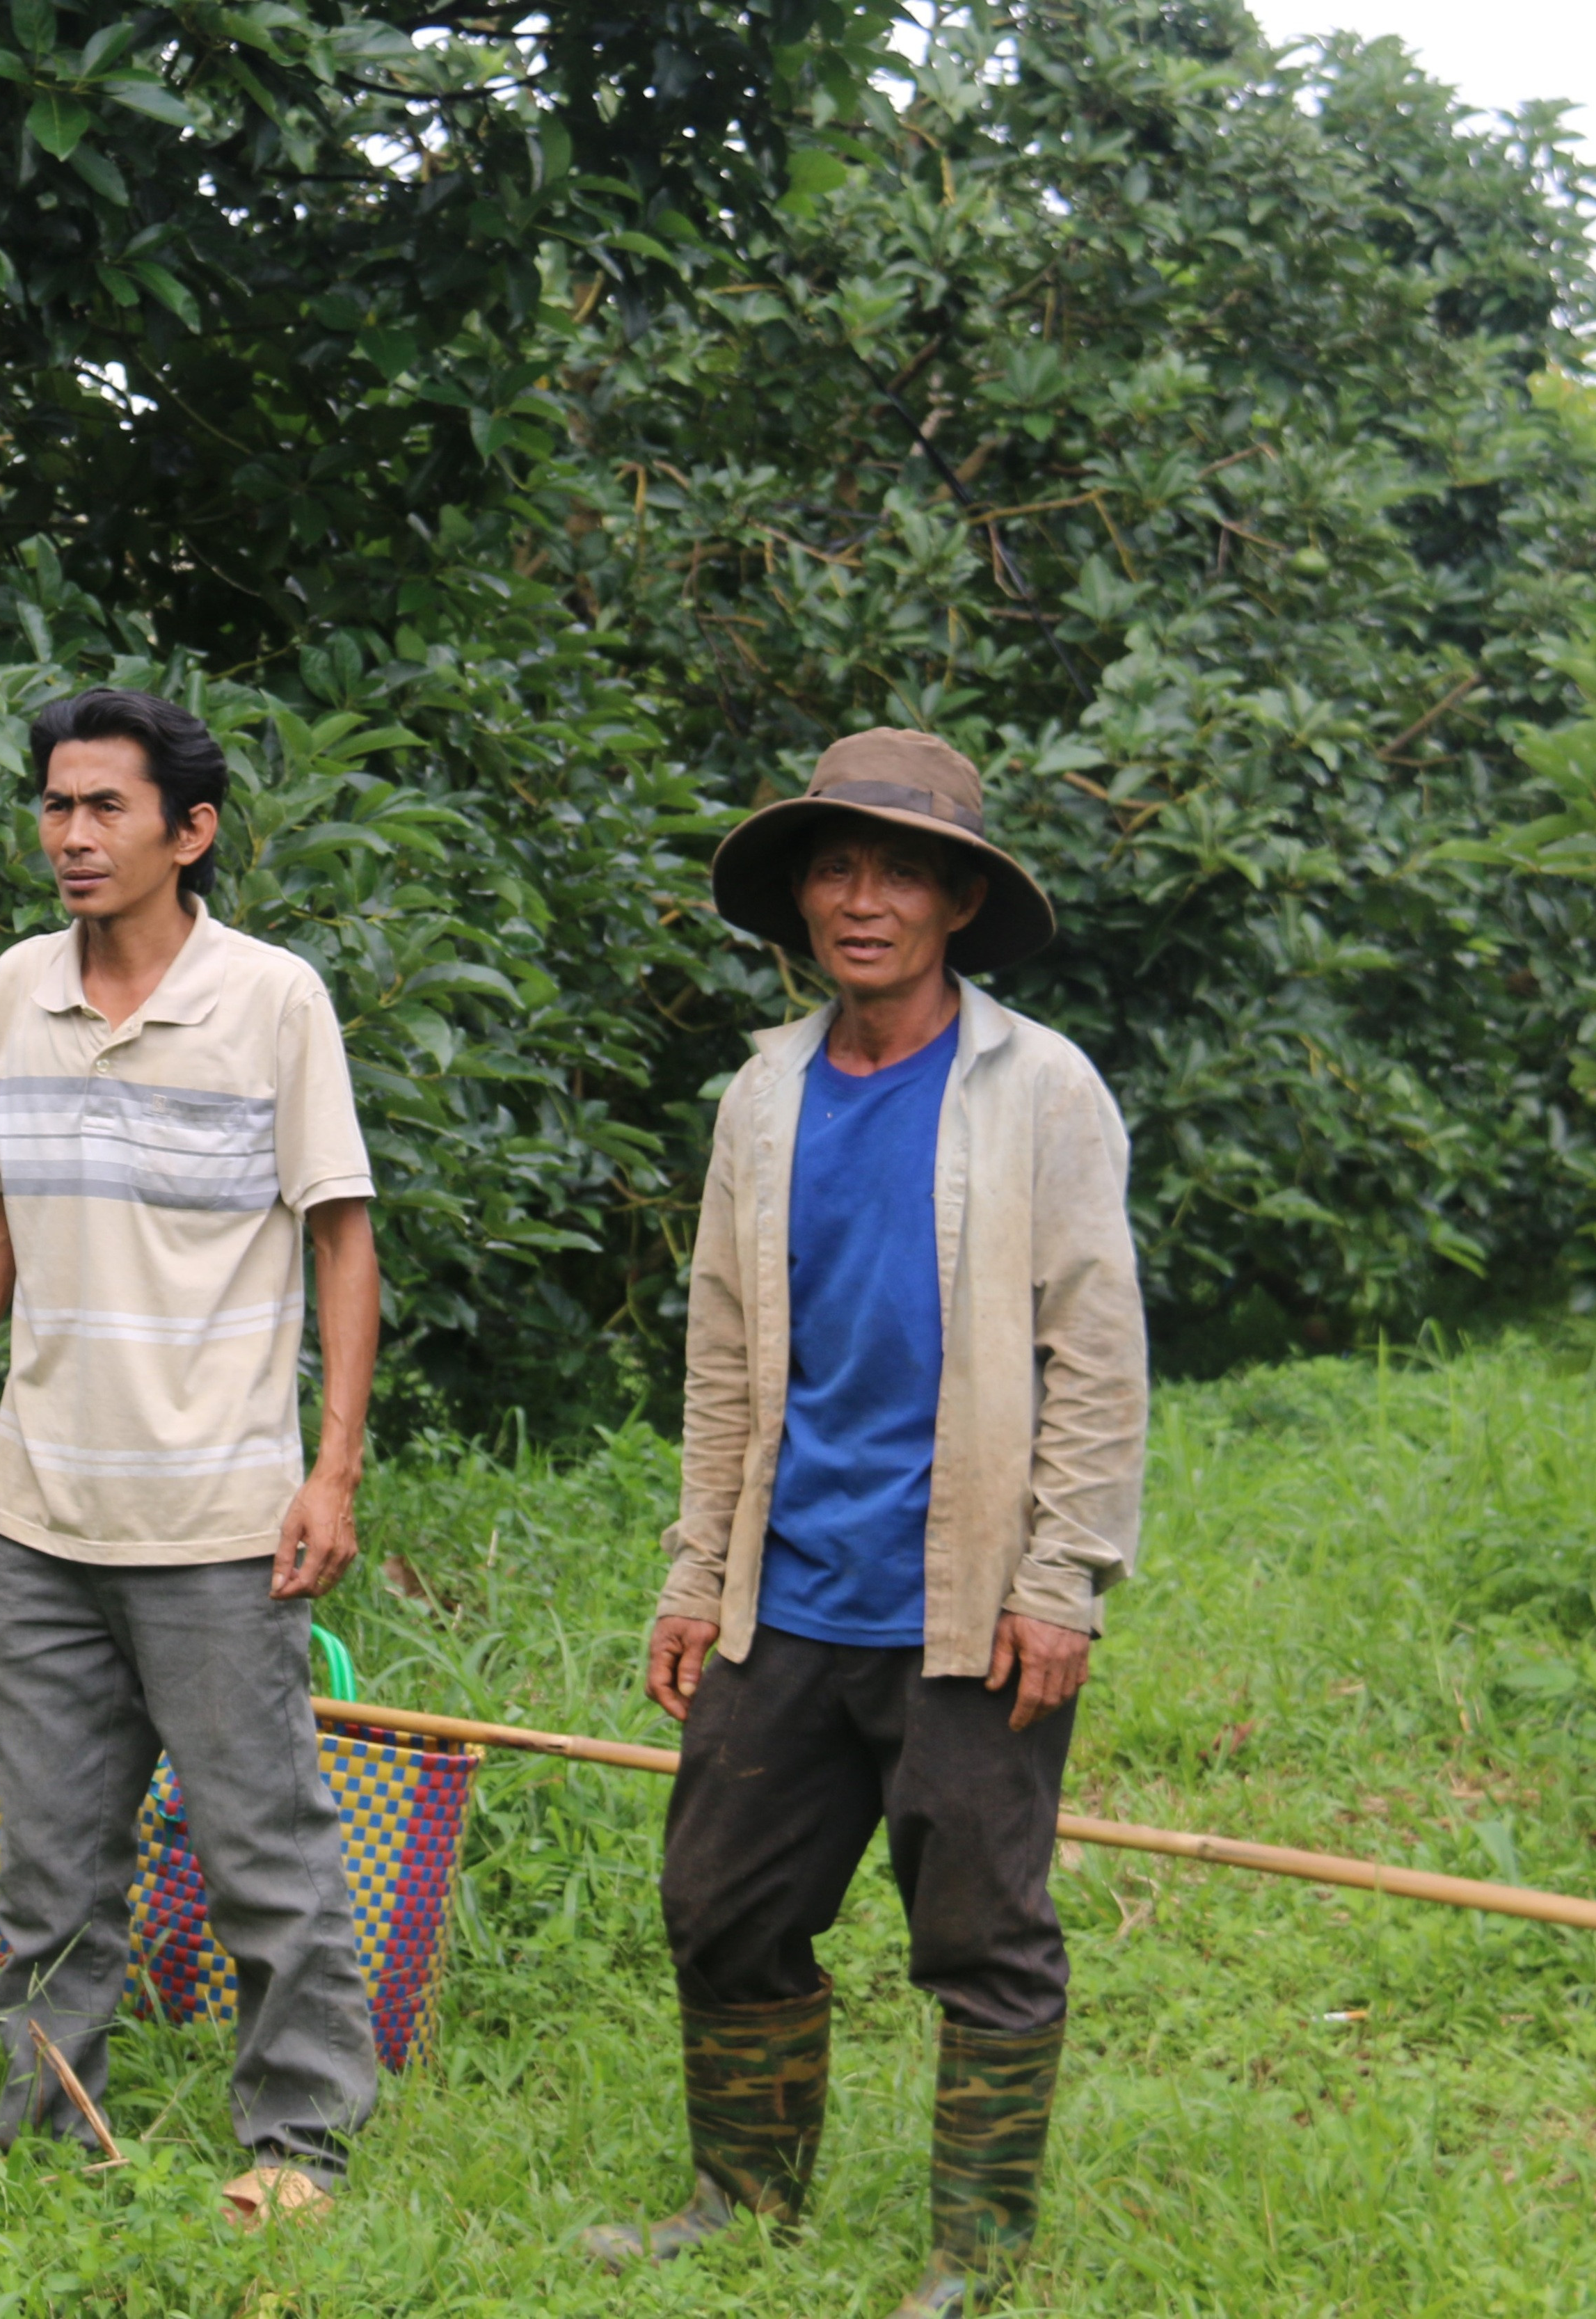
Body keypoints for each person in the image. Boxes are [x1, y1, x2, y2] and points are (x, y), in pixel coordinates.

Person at [584, 730, 1147, 2316]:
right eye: (836, 865)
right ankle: (740, 2191)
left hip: (964, 1597)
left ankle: (974, 2246)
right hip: (789, 1585)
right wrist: (696, 1572)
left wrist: (1063, 1579)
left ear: (959, 896)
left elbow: (1096, 1350)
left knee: (978, 1922)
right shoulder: (762, 1095)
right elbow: (720, 1352)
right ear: (802, 895)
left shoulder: (1034, 1087)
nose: (864, 897)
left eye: (901, 867)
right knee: (721, 1897)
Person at [0, 686, 383, 2229]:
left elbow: (342, 1235)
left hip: (221, 1517)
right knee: (48, 1857)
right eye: (55, 805)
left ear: (191, 830)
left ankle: (299, 2141)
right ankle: (49, 2124)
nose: (73, 835)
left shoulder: (273, 997)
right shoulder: (20, 988)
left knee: (262, 1851)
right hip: (39, 1514)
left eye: (106, 807)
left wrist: (333, 1470)